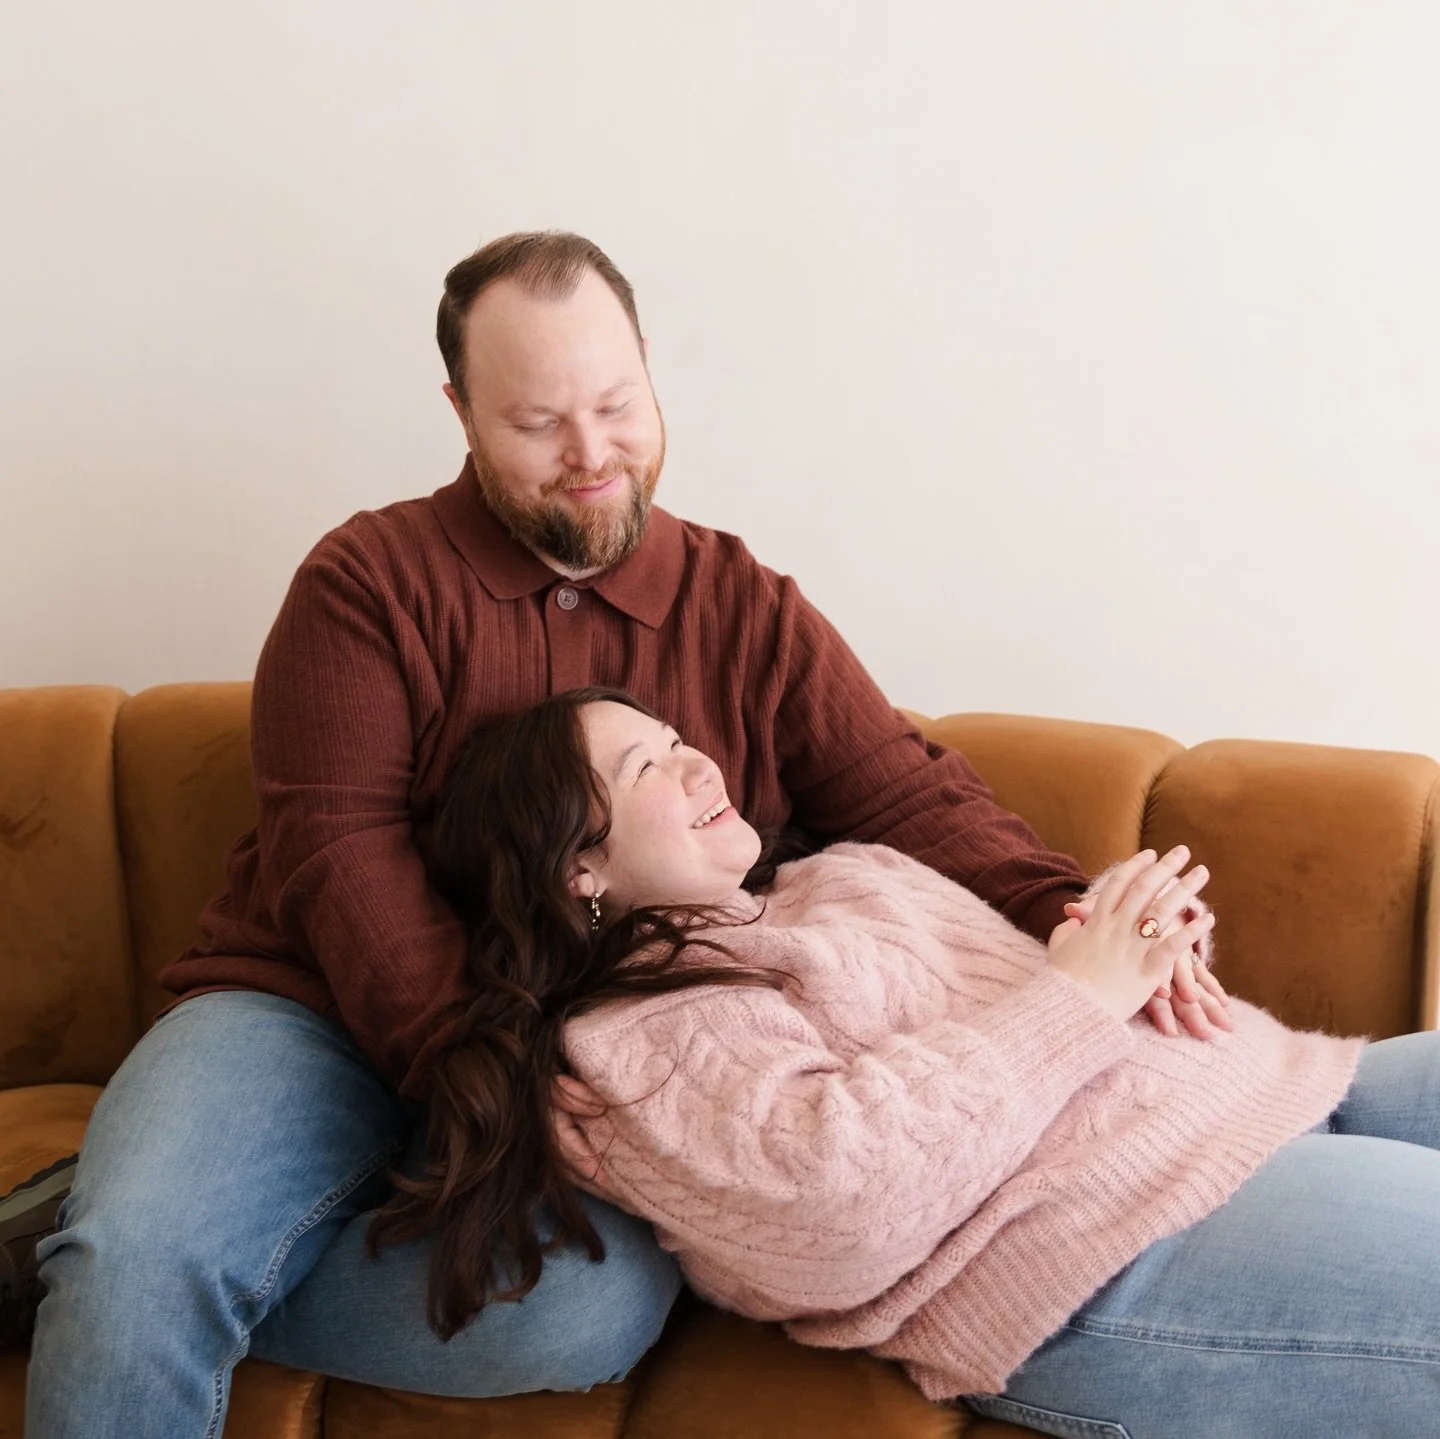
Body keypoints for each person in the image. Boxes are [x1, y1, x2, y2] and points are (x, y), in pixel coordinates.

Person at [10, 231, 1217, 1438]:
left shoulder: (740, 601)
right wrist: (496, 1080)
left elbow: (903, 790)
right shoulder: (366, 582)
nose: (592, 455)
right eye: (539, 422)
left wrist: (1076, 912)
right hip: (305, 1013)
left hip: (589, 1059)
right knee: (139, 1258)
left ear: (649, 371)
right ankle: (126, 1264)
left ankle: (90, 1271)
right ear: (462, 412)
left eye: (616, 403)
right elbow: (340, 861)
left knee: (583, 1311)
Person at [400, 685, 1440, 1439]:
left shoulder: (846, 874)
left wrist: (1144, 933)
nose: (696, 762)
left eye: (676, 737)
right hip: (1122, 1241)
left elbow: (1063, 993)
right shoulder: (633, 1038)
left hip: (1283, 1084)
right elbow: (833, 1207)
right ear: (576, 862)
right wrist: (1081, 991)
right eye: (645, 768)